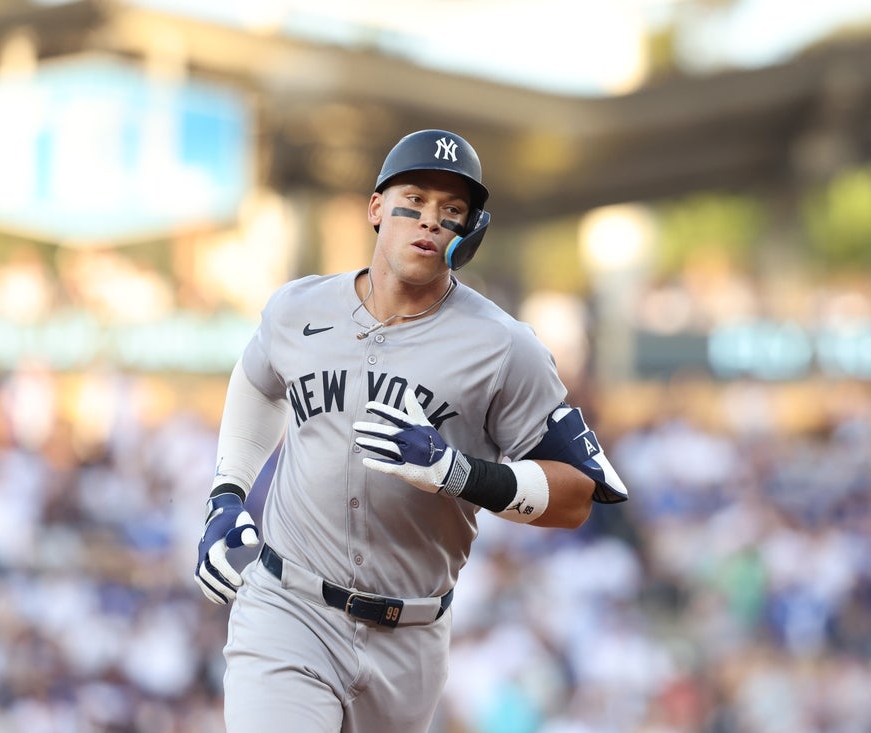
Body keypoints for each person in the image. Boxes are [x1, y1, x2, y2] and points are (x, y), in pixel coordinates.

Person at [194, 128, 629, 733]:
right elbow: (256, 383)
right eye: (415, 200)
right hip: (287, 608)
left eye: (452, 210)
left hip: (411, 635)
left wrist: (460, 473)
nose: (430, 220)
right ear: (377, 208)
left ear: (469, 233)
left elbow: (577, 495)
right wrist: (226, 494)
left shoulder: (504, 347)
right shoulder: (298, 308)